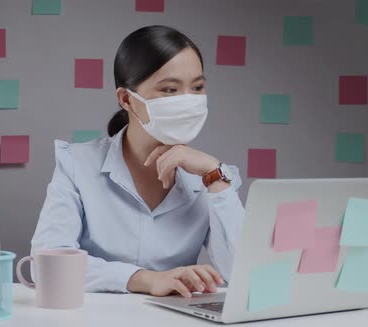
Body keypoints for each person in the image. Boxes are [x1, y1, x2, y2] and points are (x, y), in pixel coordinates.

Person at [31, 25, 245, 298]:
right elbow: (47, 264)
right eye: (170, 89)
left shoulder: (214, 177)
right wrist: (146, 280)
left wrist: (215, 177)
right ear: (126, 99)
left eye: (198, 87)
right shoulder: (77, 165)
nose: (187, 101)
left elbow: (244, 275)